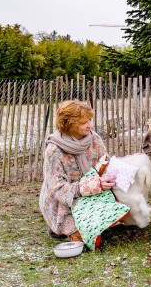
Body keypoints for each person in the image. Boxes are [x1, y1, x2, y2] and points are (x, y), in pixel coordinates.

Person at [39, 100, 117, 243]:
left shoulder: (94, 139)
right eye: (83, 122)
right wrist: (86, 187)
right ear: (69, 124)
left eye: (89, 120)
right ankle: (59, 227)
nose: (89, 125)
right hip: (63, 200)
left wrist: (108, 175)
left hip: (94, 193)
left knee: (108, 220)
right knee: (82, 237)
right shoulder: (54, 151)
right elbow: (56, 188)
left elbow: (104, 162)